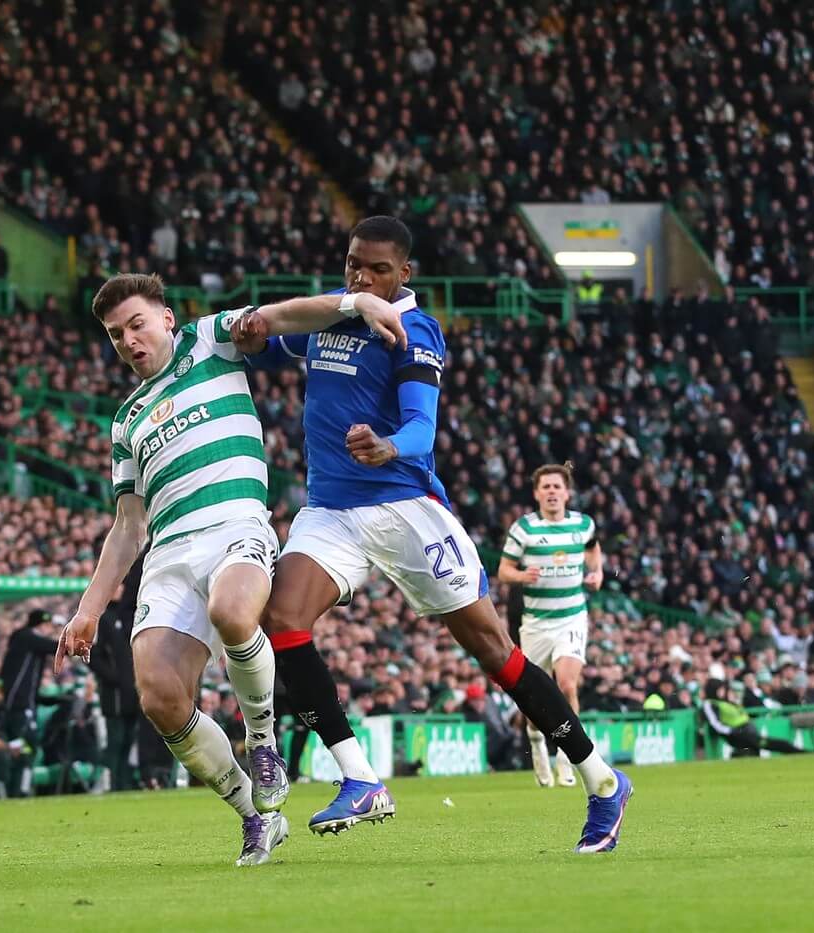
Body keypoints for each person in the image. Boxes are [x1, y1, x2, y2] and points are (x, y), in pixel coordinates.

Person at [236, 216, 632, 853]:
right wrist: (249, 328)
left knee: (496, 653)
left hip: (404, 509)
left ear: (404, 273)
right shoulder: (330, 315)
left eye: (378, 268)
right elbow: (264, 335)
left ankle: (602, 780)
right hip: (330, 510)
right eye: (353, 264)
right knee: (282, 619)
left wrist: (388, 445)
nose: (362, 277)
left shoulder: (414, 329)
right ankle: (359, 777)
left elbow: (422, 428)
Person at [55, 271, 407, 866]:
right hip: (168, 555)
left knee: (234, 611)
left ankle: (262, 744)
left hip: (235, 525)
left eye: (137, 324)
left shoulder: (208, 340)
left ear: (167, 318)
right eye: (116, 335)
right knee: (159, 696)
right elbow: (128, 527)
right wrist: (87, 611)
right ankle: (256, 815)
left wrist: (356, 302)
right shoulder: (126, 421)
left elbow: (284, 316)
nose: (129, 341)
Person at [497, 463, 605, 787]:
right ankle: (536, 741)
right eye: (546, 487)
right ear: (537, 493)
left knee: (568, 685)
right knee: (535, 698)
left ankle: (567, 757)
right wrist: (521, 576)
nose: (552, 492)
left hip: (571, 617)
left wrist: (597, 573)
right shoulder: (524, 529)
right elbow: (503, 571)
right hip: (536, 624)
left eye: (557, 486)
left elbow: (593, 549)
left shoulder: (583, 524)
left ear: (567, 493)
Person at [88, 563, 143, 791]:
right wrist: (114, 678)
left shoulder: (130, 616)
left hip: (133, 691)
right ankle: (109, 783)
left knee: (128, 740)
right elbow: (93, 655)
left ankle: (123, 783)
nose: (119, 589)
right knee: (116, 740)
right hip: (115, 694)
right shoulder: (101, 618)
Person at [700, 679, 814, 756]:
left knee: (756, 751)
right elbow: (715, 723)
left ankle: (738, 756)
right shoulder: (710, 703)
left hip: (746, 731)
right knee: (777, 744)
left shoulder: (724, 702)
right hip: (740, 734)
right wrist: (732, 731)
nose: (723, 692)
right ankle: (810, 754)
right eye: (720, 689)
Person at [0, 608, 60, 755]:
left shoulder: (30, 641)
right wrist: (80, 644)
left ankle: (22, 762)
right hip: (18, 702)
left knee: (27, 743)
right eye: (46, 625)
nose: (48, 629)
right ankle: (19, 765)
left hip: (26, 702)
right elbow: (56, 647)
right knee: (25, 742)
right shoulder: (26, 637)